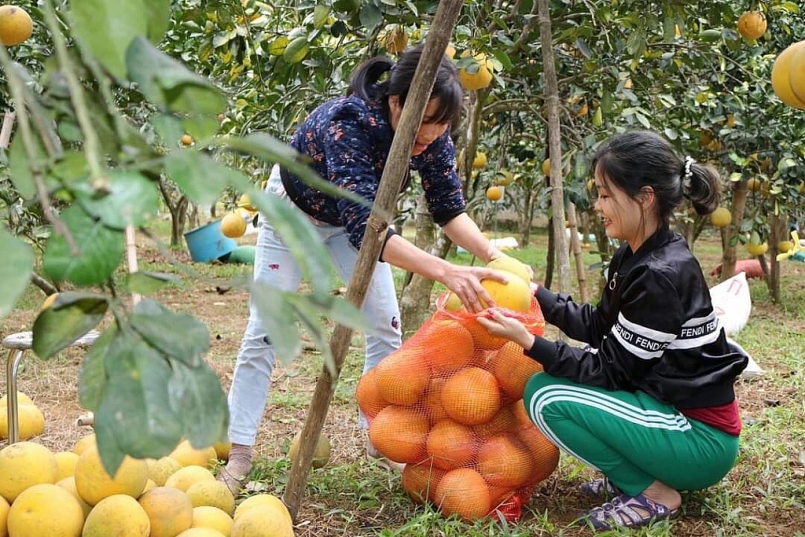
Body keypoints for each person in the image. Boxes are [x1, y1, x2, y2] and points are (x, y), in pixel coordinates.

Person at [218, 44, 511, 493]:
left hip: (353, 224)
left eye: (441, 125)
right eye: (426, 121)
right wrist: (448, 273)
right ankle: (239, 449)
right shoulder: (347, 125)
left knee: (384, 326)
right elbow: (369, 232)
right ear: (398, 103)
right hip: (292, 214)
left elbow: (449, 209)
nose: (432, 134)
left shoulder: (431, 137)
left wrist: (492, 257)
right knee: (265, 329)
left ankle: (381, 436)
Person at [477, 130, 749, 531]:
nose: (598, 205)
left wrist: (528, 342)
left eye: (606, 195)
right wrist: (535, 293)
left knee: (545, 395)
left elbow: (611, 372)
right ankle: (637, 477)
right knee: (549, 385)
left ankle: (656, 492)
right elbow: (598, 326)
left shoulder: (660, 274)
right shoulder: (637, 255)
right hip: (671, 414)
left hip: (699, 439)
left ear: (645, 197)